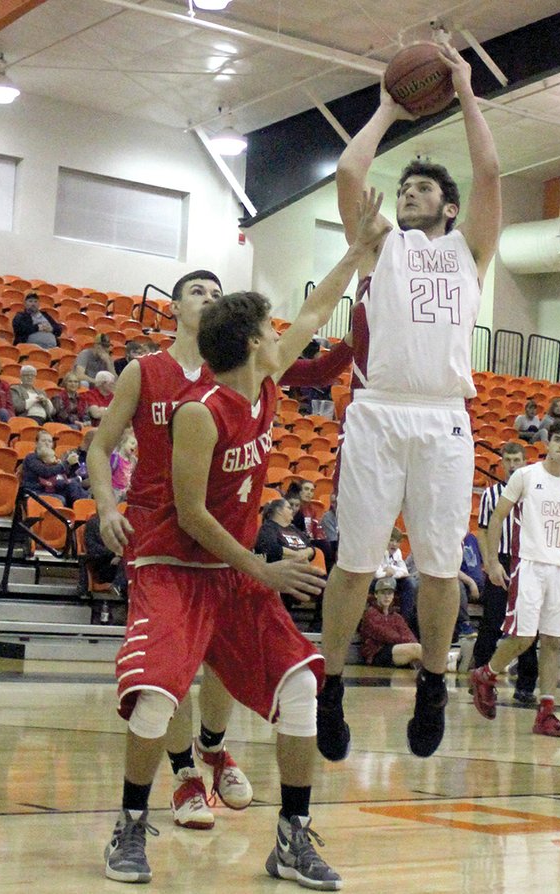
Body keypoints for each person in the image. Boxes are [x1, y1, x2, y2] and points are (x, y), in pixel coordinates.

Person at [101, 195, 382, 886]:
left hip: (231, 571)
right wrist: (263, 566)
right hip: (174, 562)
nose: (280, 334)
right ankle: (131, 825)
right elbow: (193, 514)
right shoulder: (200, 413)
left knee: (299, 690)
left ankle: (290, 836)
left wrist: (356, 251)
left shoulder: (266, 381)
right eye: (268, 327)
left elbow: (315, 312)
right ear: (255, 340)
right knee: (159, 694)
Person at [317, 44, 502, 761]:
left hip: (444, 418)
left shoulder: (469, 251)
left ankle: (432, 679)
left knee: (435, 564)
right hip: (378, 410)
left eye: (422, 191)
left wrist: (464, 92)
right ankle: (330, 684)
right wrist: (391, 106)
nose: (408, 196)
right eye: (406, 190)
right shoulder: (378, 246)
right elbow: (349, 170)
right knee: (356, 563)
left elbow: (489, 171)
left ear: (449, 208)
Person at [87, 269, 252, 834]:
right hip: (158, 532)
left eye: (215, 293)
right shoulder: (145, 370)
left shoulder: (228, 375)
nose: (209, 299)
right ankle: (184, 775)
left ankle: (214, 747)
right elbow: (100, 445)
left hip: (220, 531)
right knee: (173, 663)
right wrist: (108, 507)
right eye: (197, 292)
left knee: (225, 659)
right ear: (175, 309)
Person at [471, 421, 560, 736]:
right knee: (523, 637)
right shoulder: (525, 476)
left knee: (553, 641)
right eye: (557, 439)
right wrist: (492, 561)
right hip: (529, 564)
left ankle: (546, 712)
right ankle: (487, 673)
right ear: (548, 443)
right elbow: (496, 517)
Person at [472, 441, 538, 703]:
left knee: (527, 623)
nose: (512, 465)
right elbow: (483, 530)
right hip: (500, 558)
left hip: (527, 559)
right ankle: (479, 675)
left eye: (517, 460)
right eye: (508, 460)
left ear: (525, 463)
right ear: (501, 463)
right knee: (492, 621)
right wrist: (489, 562)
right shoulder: (491, 494)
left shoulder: (534, 493)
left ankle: (526, 685)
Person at [360, 579, 423, 669]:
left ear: (393, 596)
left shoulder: (396, 616)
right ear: (376, 595)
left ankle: (444, 667)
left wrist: (409, 642)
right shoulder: (370, 614)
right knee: (416, 649)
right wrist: (408, 642)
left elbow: (408, 634)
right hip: (377, 653)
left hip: (395, 649)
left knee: (416, 657)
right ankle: (442, 665)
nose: (387, 596)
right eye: (383, 593)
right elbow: (386, 635)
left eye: (389, 593)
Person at [21, 429, 88, 506]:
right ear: (36, 443)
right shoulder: (32, 457)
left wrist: (74, 465)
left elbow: (66, 476)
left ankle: (86, 506)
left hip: (53, 490)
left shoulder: (54, 459)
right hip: (36, 492)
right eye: (43, 441)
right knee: (60, 499)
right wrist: (66, 463)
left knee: (72, 484)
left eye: (50, 441)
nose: (47, 443)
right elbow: (45, 472)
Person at [455, 531, 484, 639]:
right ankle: (464, 624)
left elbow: (482, 561)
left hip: (479, 584)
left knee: (497, 585)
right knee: (456, 585)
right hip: (463, 583)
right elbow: (452, 568)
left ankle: (499, 625)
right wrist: (471, 583)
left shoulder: (472, 538)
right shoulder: (451, 540)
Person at [110, 429, 137, 502]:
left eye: (136, 446)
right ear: (123, 442)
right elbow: (108, 474)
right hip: (114, 490)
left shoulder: (133, 460)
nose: (134, 447)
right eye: (132, 443)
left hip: (125, 491)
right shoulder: (115, 458)